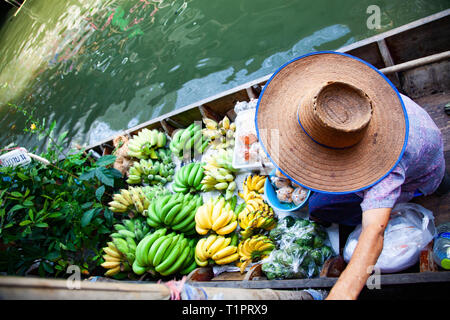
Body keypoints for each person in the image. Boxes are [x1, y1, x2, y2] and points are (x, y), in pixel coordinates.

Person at [255, 51, 447, 300]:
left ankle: (436, 186)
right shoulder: (356, 101)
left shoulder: (385, 170)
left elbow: (373, 232)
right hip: (423, 140)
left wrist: (344, 291)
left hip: (421, 175)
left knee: (321, 207)